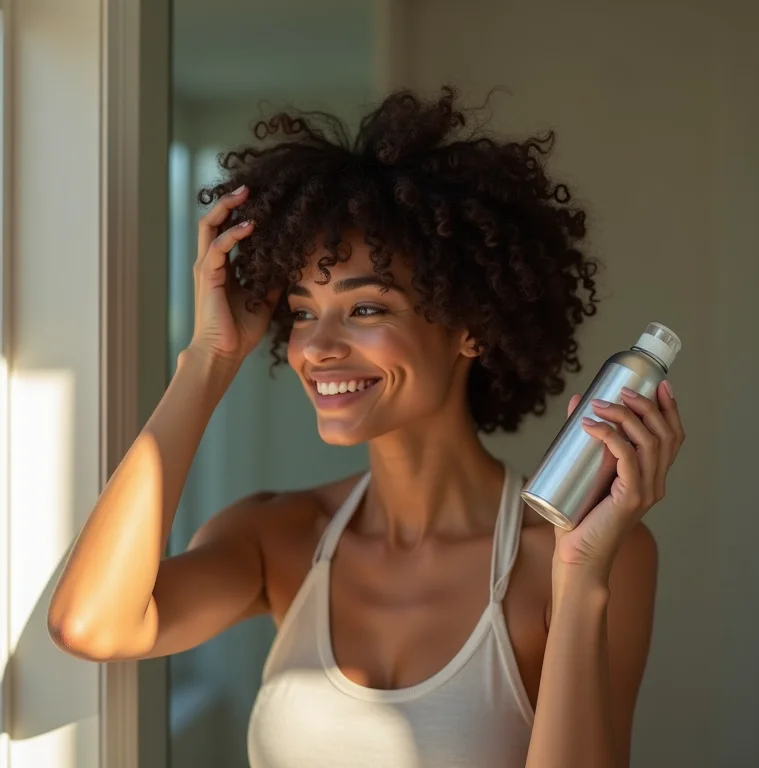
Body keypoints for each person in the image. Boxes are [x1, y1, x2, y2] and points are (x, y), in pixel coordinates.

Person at [48, 87, 685, 768]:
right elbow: (91, 624)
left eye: (365, 310)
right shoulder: (278, 537)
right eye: (301, 311)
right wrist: (208, 360)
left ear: (469, 324)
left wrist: (581, 572)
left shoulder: (578, 555)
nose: (316, 347)